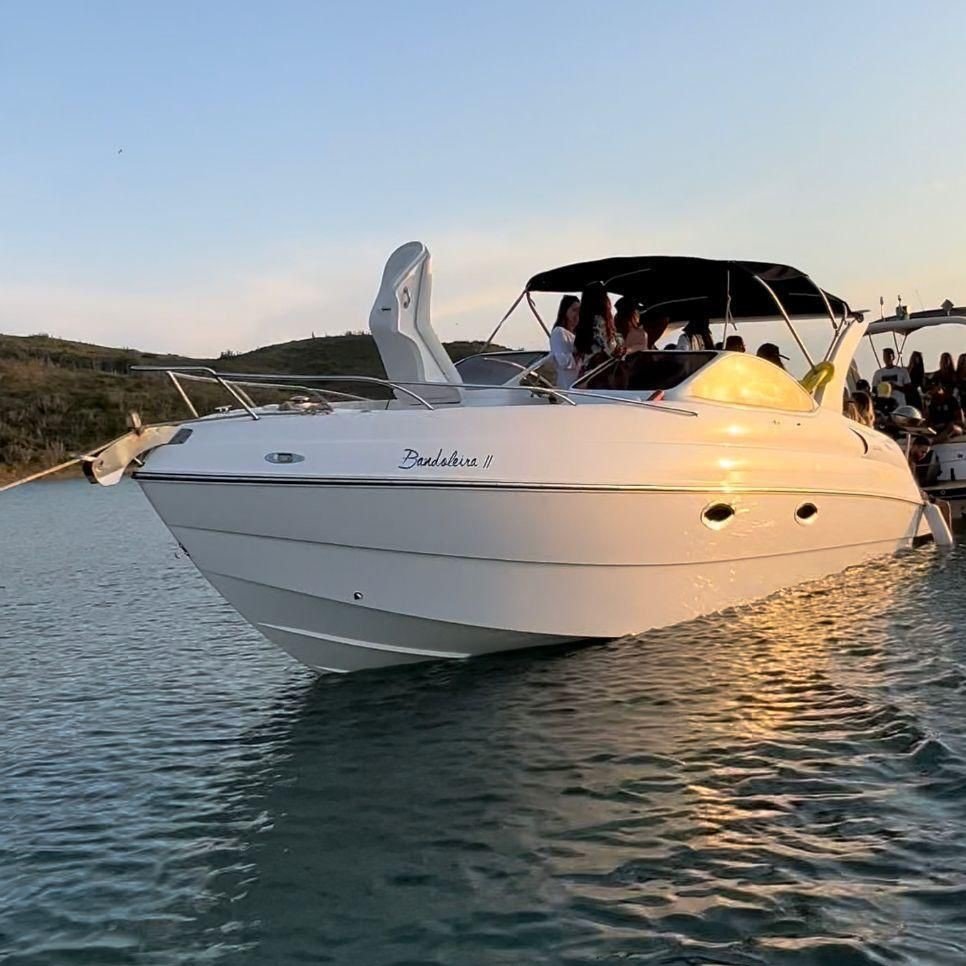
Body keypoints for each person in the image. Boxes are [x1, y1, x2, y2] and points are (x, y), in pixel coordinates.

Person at [574, 281, 623, 374]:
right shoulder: (599, 321)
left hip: (587, 373)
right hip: (602, 373)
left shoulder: (584, 322)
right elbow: (609, 348)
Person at [549, 295, 580, 389]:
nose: (577, 314)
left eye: (580, 311)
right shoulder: (559, 332)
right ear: (565, 311)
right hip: (567, 387)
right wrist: (579, 354)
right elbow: (562, 361)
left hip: (579, 385)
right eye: (574, 310)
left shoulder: (578, 335)